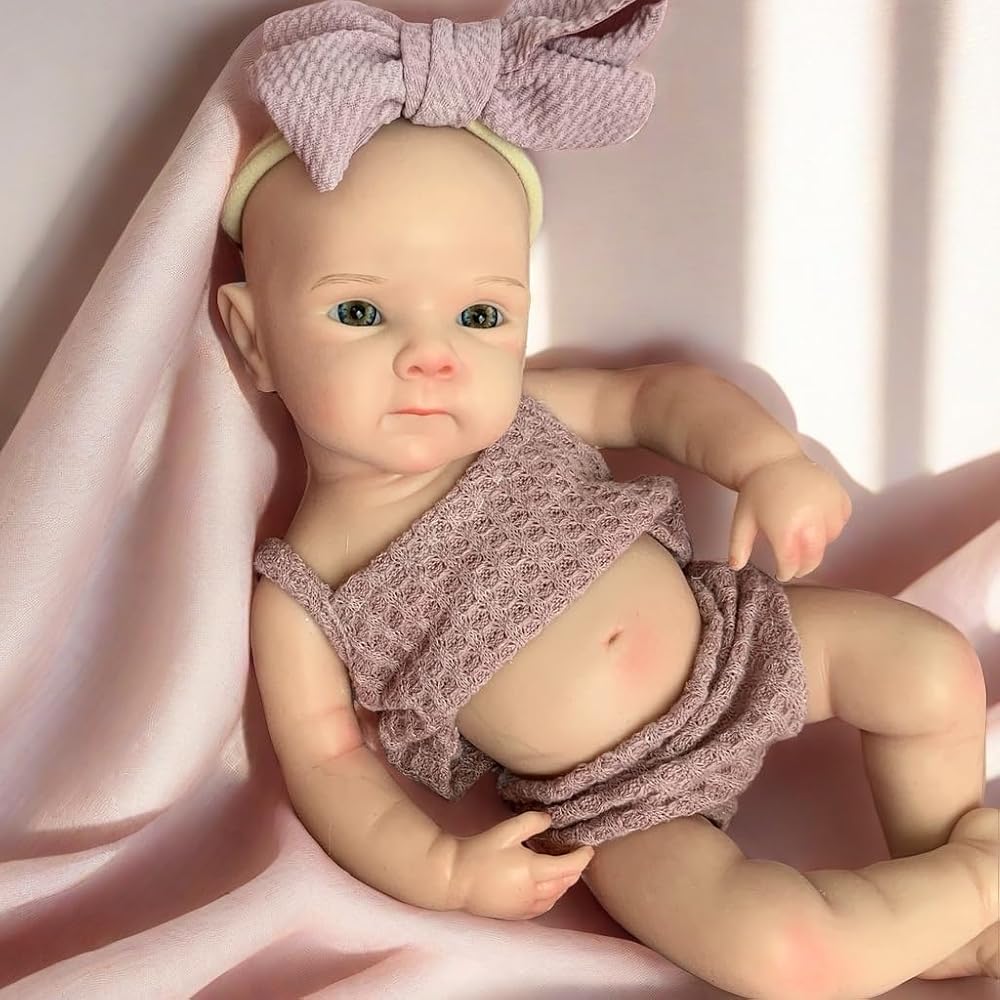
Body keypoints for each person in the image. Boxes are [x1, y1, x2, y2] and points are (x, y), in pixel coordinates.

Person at [217, 1, 998, 995]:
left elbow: (651, 398)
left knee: (931, 668)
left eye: (480, 314)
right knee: (781, 957)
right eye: (361, 311)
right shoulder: (305, 592)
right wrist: (444, 870)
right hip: (617, 804)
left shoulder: (525, 414)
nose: (431, 355)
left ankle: (938, 884)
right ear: (253, 337)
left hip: (737, 639)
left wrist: (767, 460)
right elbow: (330, 765)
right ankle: (976, 886)